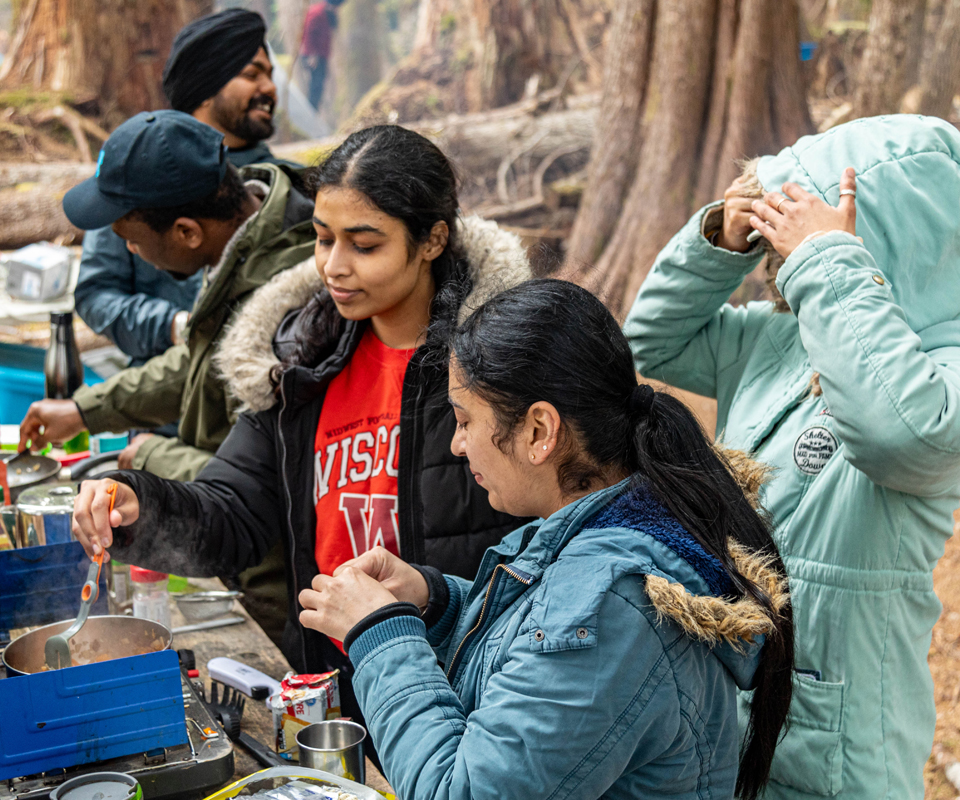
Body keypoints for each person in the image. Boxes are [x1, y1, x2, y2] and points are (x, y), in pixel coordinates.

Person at [69, 125, 533, 710]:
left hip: (464, 687)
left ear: (432, 240)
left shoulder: (500, 370)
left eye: (364, 245)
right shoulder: (301, 361)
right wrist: (141, 504)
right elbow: (232, 515)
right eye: (322, 238)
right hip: (332, 686)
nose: (334, 266)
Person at [296, 279, 794, 799]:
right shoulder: (610, 534)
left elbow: (459, 792)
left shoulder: (611, 611)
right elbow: (536, 651)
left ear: (539, 432)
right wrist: (434, 602)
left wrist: (380, 635)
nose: (457, 443)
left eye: (465, 420)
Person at [625, 115, 960, 798]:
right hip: (732, 696)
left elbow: (901, 436)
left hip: (841, 729)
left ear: (890, 234)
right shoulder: (778, 338)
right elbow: (648, 343)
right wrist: (716, 243)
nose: (787, 246)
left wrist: (828, 262)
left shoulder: (940, 372)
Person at [22, 110, 314, 643]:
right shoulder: (241, 253)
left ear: (186, 231)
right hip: (235, 558)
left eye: (129, 239)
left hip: (282, 595)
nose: (130, 251)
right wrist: (87, 409)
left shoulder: (289, 302)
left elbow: (275, 485)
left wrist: (151, 456)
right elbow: (199, 364)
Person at [75, 8, 295, 369]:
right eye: (251, 74)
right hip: (156, 404)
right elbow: (96, 292)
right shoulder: (134, 172)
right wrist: (175, 326)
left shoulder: (290, 189)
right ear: (206, 87)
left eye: (270, 75)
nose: (269, 88)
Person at [299, 0, 346, 109]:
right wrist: (312, 54)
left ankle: (313, 110)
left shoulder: (328, 13)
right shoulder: (317, 13)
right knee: (315, 85)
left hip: (321, 55)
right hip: (313, 56)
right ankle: (310, 111)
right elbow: (308, 34)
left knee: (319, 85)